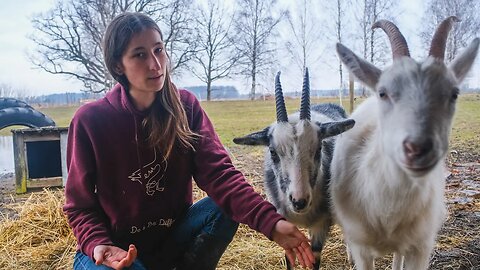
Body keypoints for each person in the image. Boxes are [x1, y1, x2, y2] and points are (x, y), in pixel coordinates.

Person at [63, 12, 315, 270]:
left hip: (170, 242)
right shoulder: (91, 121)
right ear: (118, 65)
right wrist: (97, 244)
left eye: (158, 50)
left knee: (221, 209)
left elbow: (220, 176)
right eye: (139, 54)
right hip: (114, 253)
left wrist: (270, 222)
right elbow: (78, 207)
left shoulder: (185, 107)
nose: (155, 64)